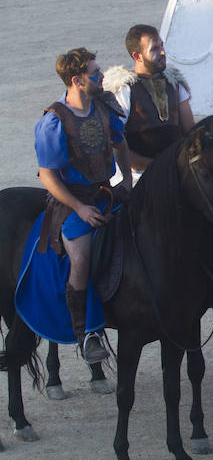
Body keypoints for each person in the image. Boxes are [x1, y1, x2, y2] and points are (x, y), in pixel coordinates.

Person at [34, 47, 132, 363]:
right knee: (81, 256)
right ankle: (87, 332)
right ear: (77, 80)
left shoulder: (103, 106)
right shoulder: (54, 122)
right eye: (95, 73)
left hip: (105, 193)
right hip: (70, 201)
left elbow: (121, 143)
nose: (102, 76)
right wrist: (78, 208)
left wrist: (127, 184)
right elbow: (48, 176)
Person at [104, 24, 194, 183]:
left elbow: (191, 131)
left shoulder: (174, 84)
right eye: (154, 49)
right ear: (137, 56)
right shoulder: (124, 90)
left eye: (162, 46)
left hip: (175, 172)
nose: (162, 52)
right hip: (137, 178)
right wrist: (156, 166)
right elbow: (113, 143)